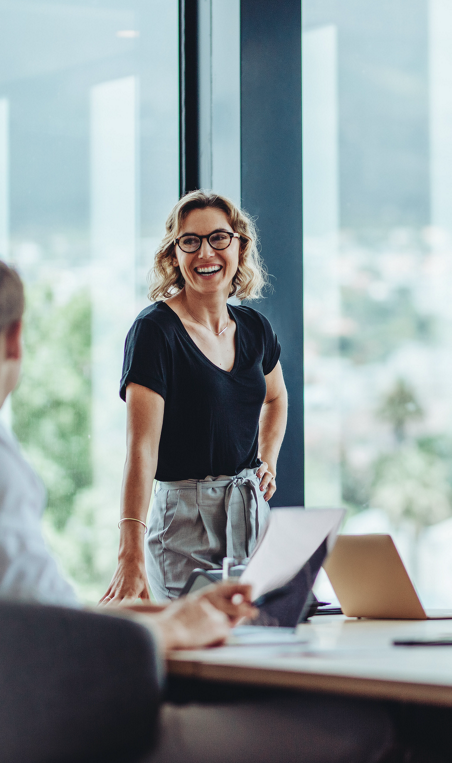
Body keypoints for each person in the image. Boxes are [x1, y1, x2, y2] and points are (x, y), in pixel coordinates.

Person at [0, 247, 392, 763]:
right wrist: (174, 628)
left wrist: (173, 614)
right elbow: (52, 641)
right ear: (14, 340)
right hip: (60, 738)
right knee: (365, 728)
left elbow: (27, 611)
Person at [103, 190, 287, 603]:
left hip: (250, 513)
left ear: (239, 246)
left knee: (256, 646)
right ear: (174, 254)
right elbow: (141, 450)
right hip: (184, 522)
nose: (206, 252)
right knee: (195, 655)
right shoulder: (155, 332)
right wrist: (128, 554)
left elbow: (276, 399)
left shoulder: (255, 328)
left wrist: (268, 460)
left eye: (219, 238)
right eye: (191, 241)